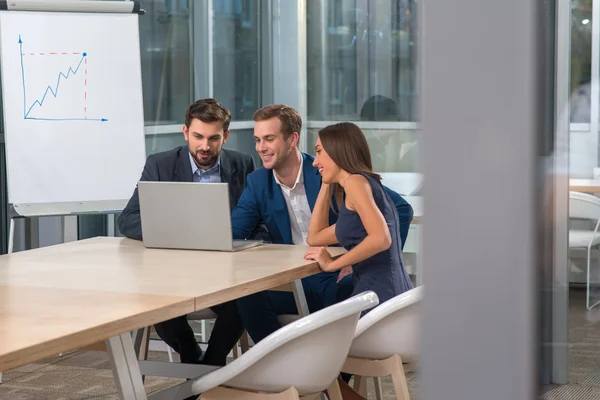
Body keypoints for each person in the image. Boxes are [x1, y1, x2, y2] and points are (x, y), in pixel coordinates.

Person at [231, 104, 413, 344]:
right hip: (294, 278)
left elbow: (399, 210)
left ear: (292, 139)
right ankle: (284, 366)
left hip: (336, 275)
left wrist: (357, 258)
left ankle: (328, 375)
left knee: (347, 297)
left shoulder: (343, 175)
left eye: (269, 139)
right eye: (257, 140)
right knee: (247, 297)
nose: (260, 148)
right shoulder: (258, 182)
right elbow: (234, 233)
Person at [118, 98, 255, 367]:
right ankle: (195, 360)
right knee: (157, 306)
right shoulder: (160, 165)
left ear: (225, 136)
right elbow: (128, 219)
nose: (205, 146)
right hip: (173, 274)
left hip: (225, 274)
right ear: (185, 133)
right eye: (198, 137)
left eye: (213, 138)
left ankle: (208, 367)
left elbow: (257, 219)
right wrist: (175, 233)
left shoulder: (243, 164)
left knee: (247, 302)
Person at [305, 122, 414, 400]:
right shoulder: (360, 185)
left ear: (338, 150)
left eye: (319, 152)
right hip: (387, 299)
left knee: (311, 357)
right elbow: (315, 236)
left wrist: (333, 264)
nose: (315, 161)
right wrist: (325, 185)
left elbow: (382, 238)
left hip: (379, 302)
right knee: (315, 358)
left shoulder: (355, 182)